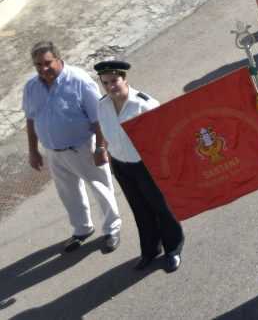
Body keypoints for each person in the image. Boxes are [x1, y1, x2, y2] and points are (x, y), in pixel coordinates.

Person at [23, 41, 121, 253]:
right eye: (38, 65)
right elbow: (30, 120)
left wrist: (101, 147)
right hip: (54, 152)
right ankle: (82, 228)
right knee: (68, 193)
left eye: (47, 63)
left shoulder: (79, 81)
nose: (43, 69)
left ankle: (112, 228)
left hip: (84, 147)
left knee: (100, 187)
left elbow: (99, 119)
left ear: (58, 59)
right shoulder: (31, 87)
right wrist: (33, 150)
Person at [94, 60, 183, 271]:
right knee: (140, 209)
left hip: (146, 165)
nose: (110, 87)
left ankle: (173, 249)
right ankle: (150, 250)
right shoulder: (102, 104)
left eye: (114, 81)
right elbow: (104, 129)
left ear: (124, 78)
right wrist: (101, 148)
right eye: (105, 83)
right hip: (121, 164)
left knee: (161, 208)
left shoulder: (144, 104)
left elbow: (165, 135)